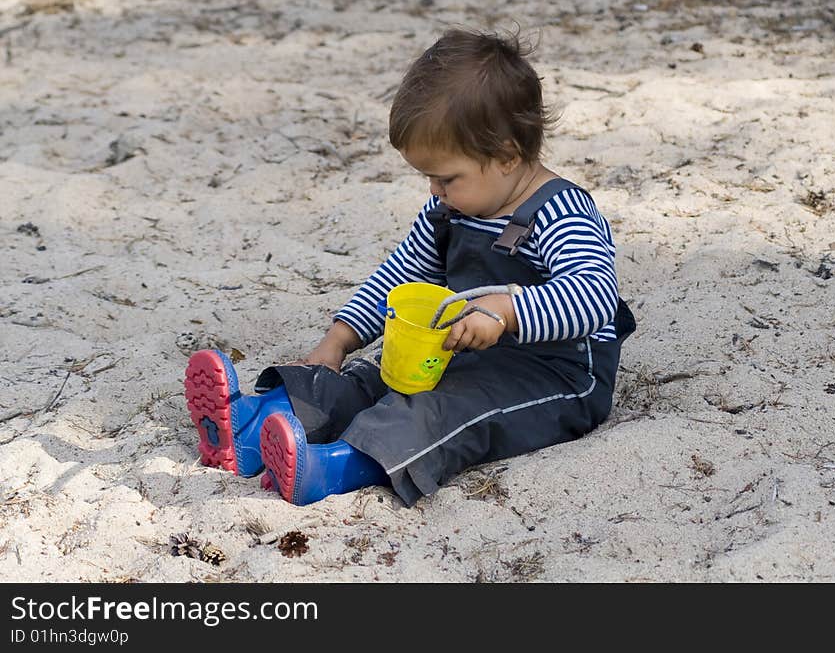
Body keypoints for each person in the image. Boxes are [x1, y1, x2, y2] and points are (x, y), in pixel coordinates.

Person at [184, 27, 635, 507]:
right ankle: (251, 425)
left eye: (447, 177)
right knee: (366, 380)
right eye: (428, 178)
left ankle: (329, 468)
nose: (436, 191)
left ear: (506, 155)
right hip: (455, 353)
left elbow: (593, 295)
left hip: (551, 376)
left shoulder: (561, 213)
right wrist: (337, 340)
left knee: (438, 413)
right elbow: (401, 276)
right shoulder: (450, 209)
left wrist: (505, 311)